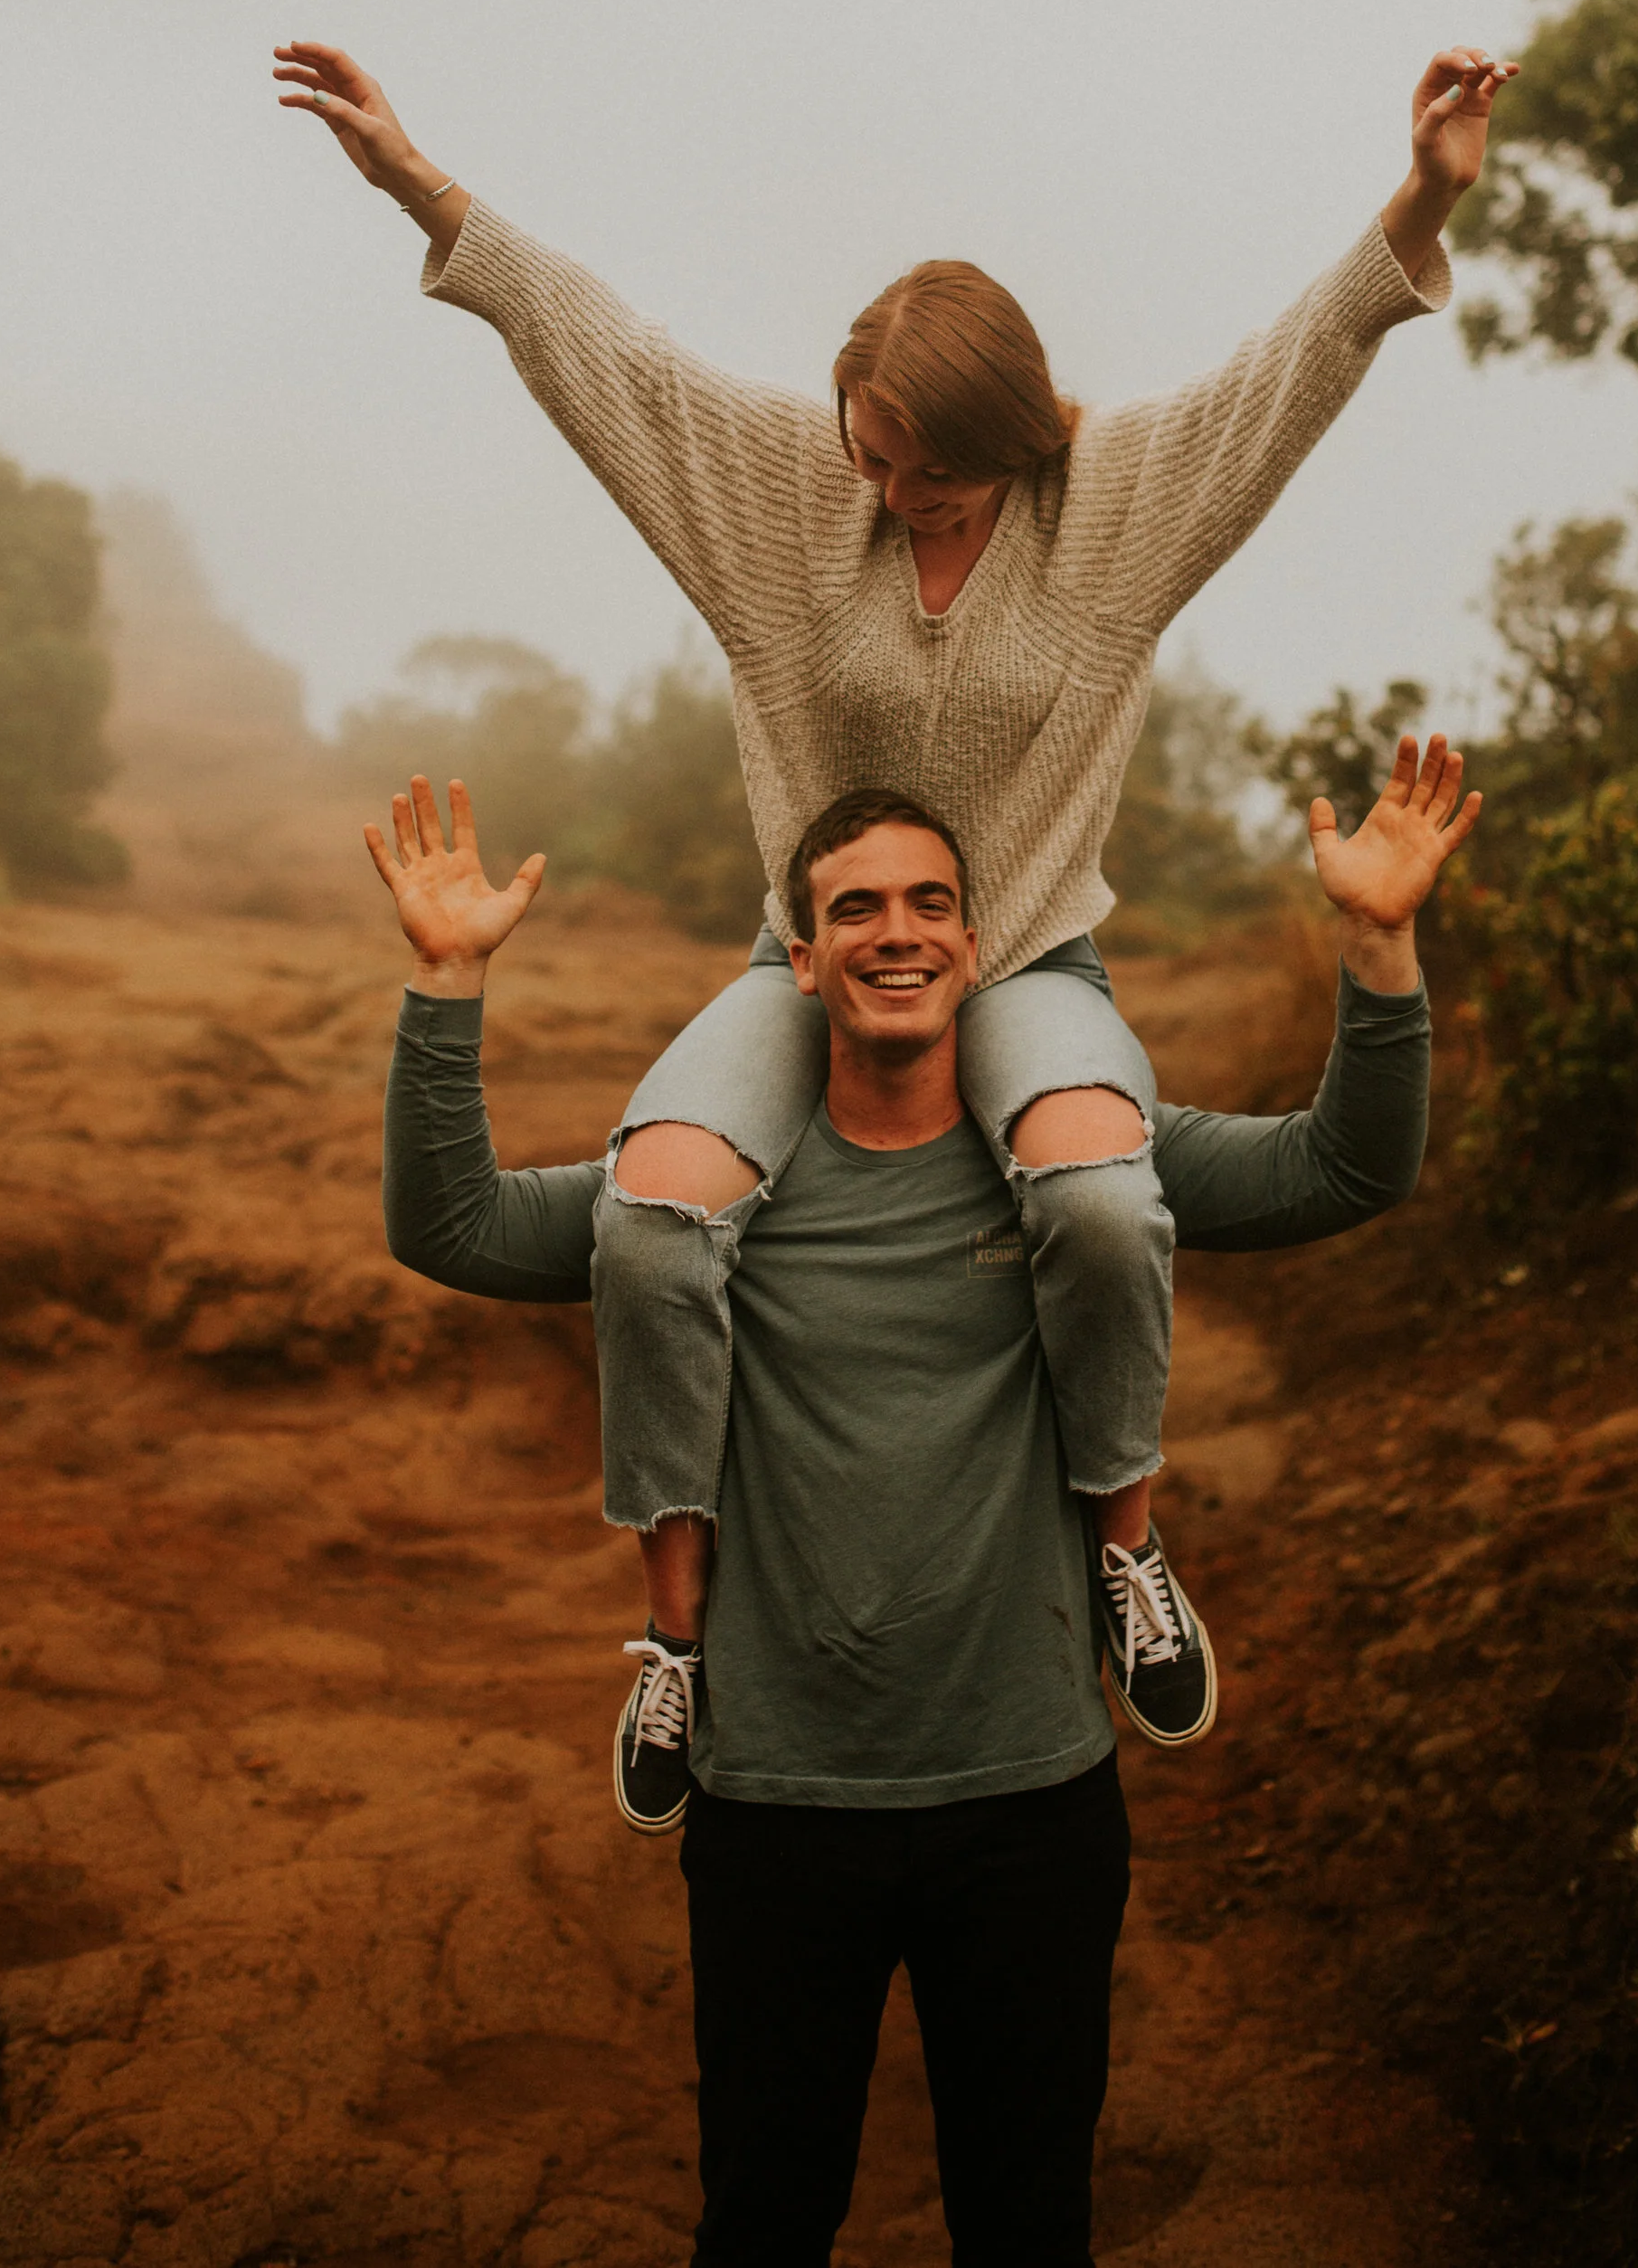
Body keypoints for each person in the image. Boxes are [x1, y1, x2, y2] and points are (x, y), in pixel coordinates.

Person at [280, 33, 1512, 1795]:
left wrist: (1421, 198)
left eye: (924, 467)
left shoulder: (1115, 507)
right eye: (867, 453)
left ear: (1007, 436)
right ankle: (669, 1635)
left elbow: (1286, 366)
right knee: (643, 1231)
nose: (887, 491)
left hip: (1025, 961)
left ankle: (1125, 1553)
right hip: (806, 963)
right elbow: (607, 353)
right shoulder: (790, 499)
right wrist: (423, 189)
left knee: (1095, 1207)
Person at [371, 745, 1477, 2268]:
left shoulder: (1073, 1158)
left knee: (1029, 2228)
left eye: (931, 904)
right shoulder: (704, 1190)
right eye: (858, 908)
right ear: (804, 955)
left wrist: (1378, 945)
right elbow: (452, 1222)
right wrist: (444, 984)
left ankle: (1126, 1568)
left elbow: (1350, 1167)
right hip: (774, 1808)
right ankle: (672, 1666)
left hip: (1030, 1802)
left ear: (973, 942)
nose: (898, 931)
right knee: (764, 2222)